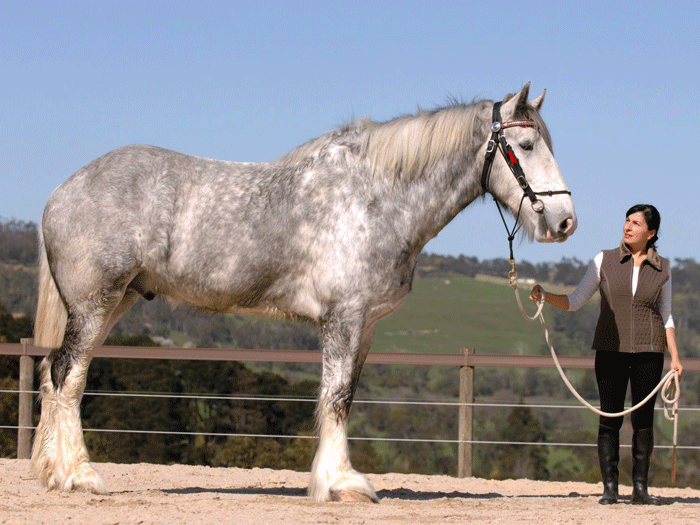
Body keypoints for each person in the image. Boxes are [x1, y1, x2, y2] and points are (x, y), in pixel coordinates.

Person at [529, 204, 683, 505]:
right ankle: (610, 489)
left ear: (651, 233)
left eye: (636, 223)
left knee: (643, 421)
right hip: (610, 350)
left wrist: (675, 358)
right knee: (609, 418)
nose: (628, 226)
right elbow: (576, 300)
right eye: (626, 220)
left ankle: (640, 489)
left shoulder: (664, 268)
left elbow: (667, 316)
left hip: (650, 353)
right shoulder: (604, 260)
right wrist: (546, 297)